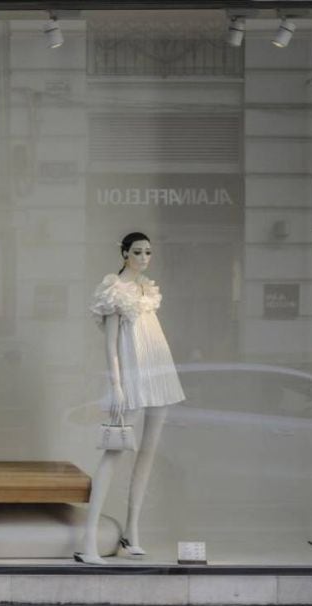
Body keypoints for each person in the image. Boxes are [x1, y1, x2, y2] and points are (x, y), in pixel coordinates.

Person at [76, 233, 185, 565]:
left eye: (148, 251)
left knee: (148, 453)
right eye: (137, 251)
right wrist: (117, 385)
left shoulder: (146, 290)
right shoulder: (113, 291)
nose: (143, 257)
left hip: (158, 372)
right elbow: (110, 345)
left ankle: (131, 534)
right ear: (124, 254)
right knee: (114, 451)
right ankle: (88, 542)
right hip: (132, 378)